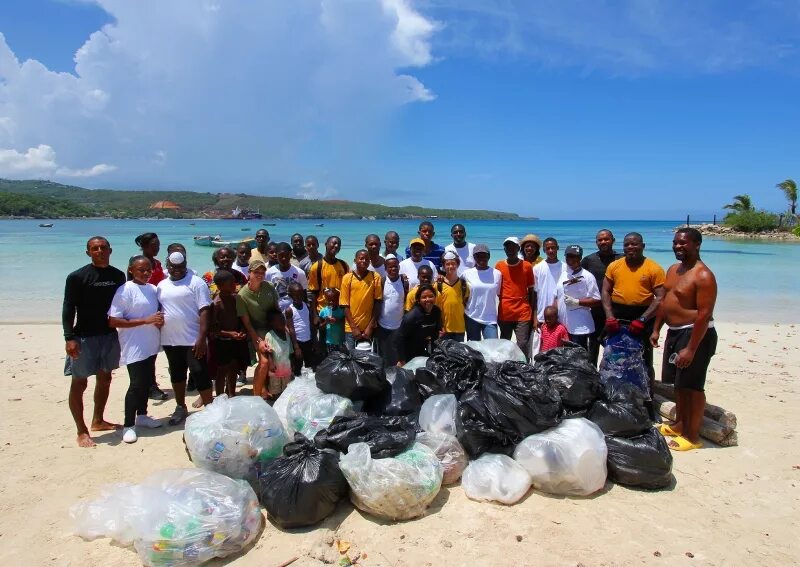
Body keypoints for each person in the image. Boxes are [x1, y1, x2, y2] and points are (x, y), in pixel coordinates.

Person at [650, 228, 718, 451]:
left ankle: (692, 436)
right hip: (675, 332)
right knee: (679, 384)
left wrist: (691, 348)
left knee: (693, 387)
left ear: (697, 245)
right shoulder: (673, 270)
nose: (677, 246)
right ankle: (679, 424)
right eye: (675, 243)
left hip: (696, 334)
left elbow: (704, 315)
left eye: (683, 243)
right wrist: (657, 329)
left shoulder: (703, 275)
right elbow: (665, 301)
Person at [63, 236, 126, 447]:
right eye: (94, 248)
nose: (99, 251)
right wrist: (69, 337)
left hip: (108, 335)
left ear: (110, 250)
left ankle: (98, 420)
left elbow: (123, 305)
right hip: (83, 337)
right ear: (88, 252)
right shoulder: (77, 277)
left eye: (103, 247)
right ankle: (81, 430)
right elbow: (68, 308)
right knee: (79, 383)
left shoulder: (118, 276)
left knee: (105, 378)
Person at [108, 255, 165, 444]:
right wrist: (146, 321)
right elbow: (114, 320)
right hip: (133, 344)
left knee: (147, 381)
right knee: (136, 385)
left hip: (151, 343)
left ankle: (142, 415)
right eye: (141, 270)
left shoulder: (152, 289)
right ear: (131, 270)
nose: (146, 273)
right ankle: (128, 425)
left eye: (149, 269)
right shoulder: (125, 290)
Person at [157, 251, 213, 425]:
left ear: (186, 264)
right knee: (176, 373)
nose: (177, 270)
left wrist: (202, 337)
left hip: (192, 339)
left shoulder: (196, 283)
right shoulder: (161, 285)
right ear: (168, 266)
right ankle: (180, 406)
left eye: (181, 267)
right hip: (170, 339)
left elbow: (205, 310)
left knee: (199, 372)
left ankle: (210, 409)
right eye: (173, 267)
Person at [602, 232, 666, 383]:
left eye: (634, 244)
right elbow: (605, 291)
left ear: (643, 246)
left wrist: (642, 319)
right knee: (614, 356)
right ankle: (614, 390)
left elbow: (661, 297)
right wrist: (609, 316)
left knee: (643, 358)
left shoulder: (653, 268)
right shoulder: (614, 265)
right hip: (617, 315)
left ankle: (647, 398)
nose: (630, 247)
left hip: (643, 315)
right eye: (627, 244)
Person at [237, 259, 279, 400]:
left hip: (271, 327)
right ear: (249, 273)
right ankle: (256, 397)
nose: (260, 275)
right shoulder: (242, 295)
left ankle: (265, 389)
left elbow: (276, 310)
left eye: (262, 272)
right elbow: (247, 323)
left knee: (278, 359)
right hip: (255, 330)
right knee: (264, 362)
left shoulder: (270, 286)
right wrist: (258, 340)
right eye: (256, 272)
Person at [135, 232, 168, 401]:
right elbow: (132, 288)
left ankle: (150, 384)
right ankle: (149, 386)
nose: (157, 248)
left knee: (153, 350)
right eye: (154, 245)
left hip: (156, 309)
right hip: (144, 311)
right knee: (146, 351)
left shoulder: (157, 263)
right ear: (144, 246)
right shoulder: (137, 263)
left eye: (158, 245)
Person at [581, 229, 623, 365]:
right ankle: (592, 378)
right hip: (594, 311)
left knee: (614, 346)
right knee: (593, 345)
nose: (603, 242)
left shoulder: (622, 259)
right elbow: (580, 281)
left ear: (613, 240)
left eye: (606, 239)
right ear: (596, 242)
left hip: (615, 311)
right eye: (600, 240)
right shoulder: (588, 260)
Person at [209, 270, 250, 398]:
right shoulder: (217, 303)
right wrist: (229, 334)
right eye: (231, 283)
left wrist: (242, 330)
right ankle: (220, 396)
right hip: (222, 342)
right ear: (220, 286)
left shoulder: (235, 298)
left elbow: (241, 318)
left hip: (235, 340)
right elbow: (213, 329)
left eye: (235, 282)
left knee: (234, 367)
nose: (235, 285)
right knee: (222, 370)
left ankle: (231, 393)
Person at [555, 245, 601, 350]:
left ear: (580, 257)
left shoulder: (587, 276)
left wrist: (577, 302)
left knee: (578, 358)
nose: (570, 259)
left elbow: (597, 300)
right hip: (563, 323)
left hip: (579, 326)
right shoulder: (564, 274)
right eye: (568, 256)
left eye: (574, 256)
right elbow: (557, 296)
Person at [495, 237, 534, 354]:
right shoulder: (499, 266)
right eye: (507, 247)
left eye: (513, 247)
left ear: (518, 248)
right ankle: (504, 367)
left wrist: (531, 310)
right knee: (504, 343)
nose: (510, 250)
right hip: (505, 311)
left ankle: (523, 367)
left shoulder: (527, 266)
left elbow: (531, 290)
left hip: (523, 311)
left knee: (522, 343)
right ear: (504, 249)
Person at [340, 249, 383, 351]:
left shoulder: (375, 277)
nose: (364, 261)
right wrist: (354, 328)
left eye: (367, 259)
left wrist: (370, 326)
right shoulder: (347, 278)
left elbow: (378, 302)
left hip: (369, 327)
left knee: (370, 360)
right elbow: (344, 305)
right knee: (351, 359)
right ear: (355, 261)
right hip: (351, 328)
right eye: (361, 258)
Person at [463, 244, 502, 340]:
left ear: (489, 256)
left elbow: (499, 294)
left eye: (484, 255)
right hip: (471, 316)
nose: (481, 258)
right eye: (478, 256)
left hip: (490, 318)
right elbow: (461, 293)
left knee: (493, 348)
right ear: (474, 257)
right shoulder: (466, 274)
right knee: (474, 350)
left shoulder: (497, 274)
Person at [376, 254, 408, 366]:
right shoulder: (382, 281)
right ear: (385, 268)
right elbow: (377, 303)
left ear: (399, 267)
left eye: (395, 266)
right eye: (390, 267)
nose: (393, 269)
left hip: (399, 326)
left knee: (398, 355)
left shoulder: (404, 282)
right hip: (383, 325)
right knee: (384, 355)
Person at [396, 284, 442, 365]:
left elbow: (435, 334)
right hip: (409, 354)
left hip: (426, 351)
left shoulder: (436, 312)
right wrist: (402, 360)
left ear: (435, 297)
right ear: (418, 299)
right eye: (424, 297)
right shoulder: (411, 317)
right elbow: (400, 338)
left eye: (431, 296)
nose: (428, 299)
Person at [308, 236, 349, 313]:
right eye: (334, 243)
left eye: (338, 245)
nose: (336, 246)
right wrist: (314, 315)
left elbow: (348, 288)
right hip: (323, 310)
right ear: (326, 244)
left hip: (340, 310)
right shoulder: (316, 267)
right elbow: (313, 292)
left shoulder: (344, 265)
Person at [285, 281, 319, 375]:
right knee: (297, 368)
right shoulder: (289, 310)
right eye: (295, 295)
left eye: (300, 295)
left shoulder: (307, 306)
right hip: (298, 342)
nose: (299, 297)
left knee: (311, 367)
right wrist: (296, 348)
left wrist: (315, 341)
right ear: (290, 296)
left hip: (309, 341)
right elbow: (291, 329)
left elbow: (312, 325)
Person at [436, 251, 470, 342]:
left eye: (453, 264)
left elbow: (465, 303)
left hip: (460, 328)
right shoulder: (437, 285)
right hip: (443, 329)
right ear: (443, 266)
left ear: (458, 265)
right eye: (447, 264)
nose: (450, 266)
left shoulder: (464, 284)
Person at [264, 309, 297, 399]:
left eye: (283, 319)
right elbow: (269, 351)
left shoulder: (287, 335)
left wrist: (292, 364)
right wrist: (271, 364)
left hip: (286, 368)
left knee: (287, 390)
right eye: (279, 320)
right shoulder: (269, 335)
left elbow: (290, 351)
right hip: (275, 369)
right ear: (272, 323)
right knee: (276, 389)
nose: (282, 322)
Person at [533, 237, 565, 330]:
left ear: (557, 248)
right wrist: (535, 318)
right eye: (548, 248)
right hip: (542, 316)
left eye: (553, 247)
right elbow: (534, 295)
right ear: (544, 250)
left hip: (561, 315)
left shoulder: (565, 267)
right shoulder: (537, 268)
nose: (551, 251)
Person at [266, 242, 309, 310]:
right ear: (276, 256)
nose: (284, 258)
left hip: (296, 312)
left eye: (286, 255)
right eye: (281, 255)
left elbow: (304, 295)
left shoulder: (300, 273)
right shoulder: (269, 273)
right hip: (278, 312)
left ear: (291, 255)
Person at [319, 287, 345, 353]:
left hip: (341, 341)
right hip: (329, 342)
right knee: (332, 360)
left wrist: (337, 320)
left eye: (333, 300)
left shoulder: (342, 310)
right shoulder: (323, 311)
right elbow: (320, 327)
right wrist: (326, 322)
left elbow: (345, 323)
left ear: (338, 300)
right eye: (328, 300)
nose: (331, 302)